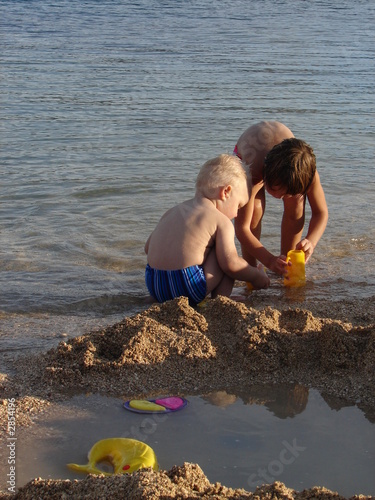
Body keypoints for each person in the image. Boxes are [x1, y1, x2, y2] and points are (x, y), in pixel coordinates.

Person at [145, 154, 270, 305]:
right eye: (238, 206)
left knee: (211, 248)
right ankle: (219, 301)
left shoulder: (172, 211)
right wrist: (256, 276)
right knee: (226, 257)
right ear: (226, 192)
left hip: (154, 284)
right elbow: (231, 265)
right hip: (186, 288)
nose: (237, 214)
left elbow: (147, 248)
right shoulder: (221, 221)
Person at [233, 121, 328, 275]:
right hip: (249, 155)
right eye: (274, 190)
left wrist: (311, 241)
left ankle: (286, 264)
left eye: (284, 194)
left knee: (296, 202)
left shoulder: (307, 173)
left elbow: (321, 213)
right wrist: (269, 260)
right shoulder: (252, 173)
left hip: (288, 157)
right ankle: (251, 270)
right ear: (266, 177)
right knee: (254, 211)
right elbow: (241, 229)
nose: (278, 197)